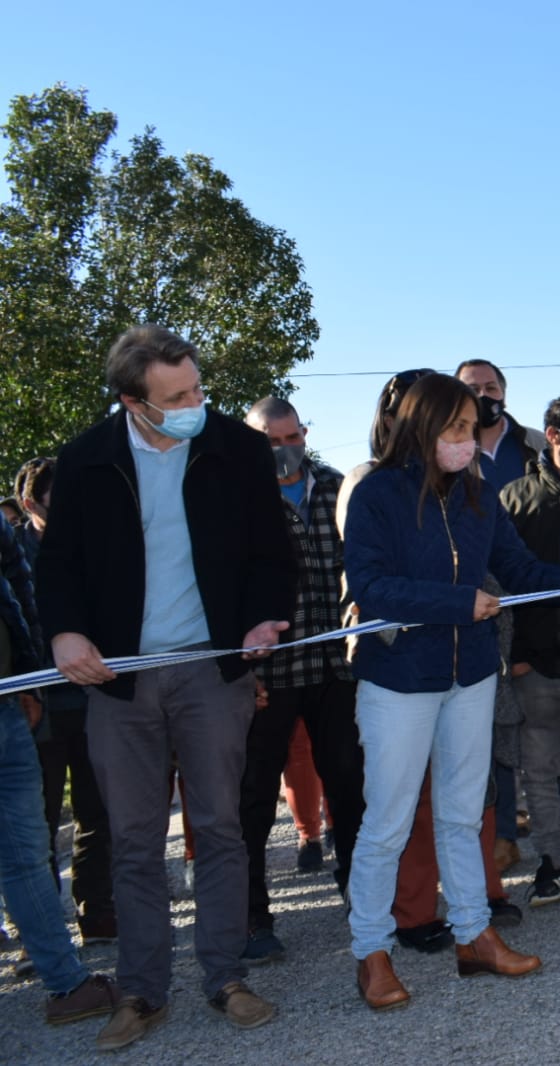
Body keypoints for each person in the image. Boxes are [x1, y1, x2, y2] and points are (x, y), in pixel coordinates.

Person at [36, 325, 293, 1048]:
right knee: (134, 840)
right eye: (178, 397)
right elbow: (58, 569)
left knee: (219, 827)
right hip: (119, 680)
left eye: (199, 388)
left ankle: (226, 976)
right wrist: (65, 634)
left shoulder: (237, 448)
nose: (197, 404)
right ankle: (142, 990)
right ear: (132, 401)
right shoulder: (87, 460)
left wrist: (263, 619)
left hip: (213, 671)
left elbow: (272, 553)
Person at [341, 373, 560, 1009]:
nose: (470, 441)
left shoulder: (476, 497)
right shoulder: (375, 494)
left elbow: (521, 569)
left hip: (470, 677)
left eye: (472, 429)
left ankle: (475, 935)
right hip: (398, 682)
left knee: (463, 814)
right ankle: (371, 952)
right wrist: (456, 601)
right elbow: (370, 586)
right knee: (386, 822)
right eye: (459, 429)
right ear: (422, 427)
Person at [236, 397, 364, 962]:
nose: (286, 449)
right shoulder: (234, 499)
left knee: (351, 787)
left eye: (294, 436)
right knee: (253, 799)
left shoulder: (337, 488)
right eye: (271, 441)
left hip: (337, 665)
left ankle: (364, 896)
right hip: (267, 672)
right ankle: (252, 918)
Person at [0, 519, 119, 1032]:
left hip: (9, 705)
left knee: (27, 857)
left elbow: (18, 596)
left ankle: (67, 984)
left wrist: (29, 678)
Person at [13, 457, 116, 945]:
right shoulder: (13, 557)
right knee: (40, 822)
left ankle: (96, 913)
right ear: (31, 504)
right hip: (37, 711)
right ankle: (45, 932)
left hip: (96, 701)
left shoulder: (96, 547)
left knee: (99, 813)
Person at [500, 394, 560, 906]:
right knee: (539, 772)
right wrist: (514, 653)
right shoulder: (513, 500)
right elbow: (501, 582)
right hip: (534, 663)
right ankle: (554, 864)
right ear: (555, 436)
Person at [457, 359, 544, 493]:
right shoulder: (447, 450)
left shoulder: (538, 443)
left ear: (503, 395)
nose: (483, 395)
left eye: (490, 388)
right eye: (473, 390)